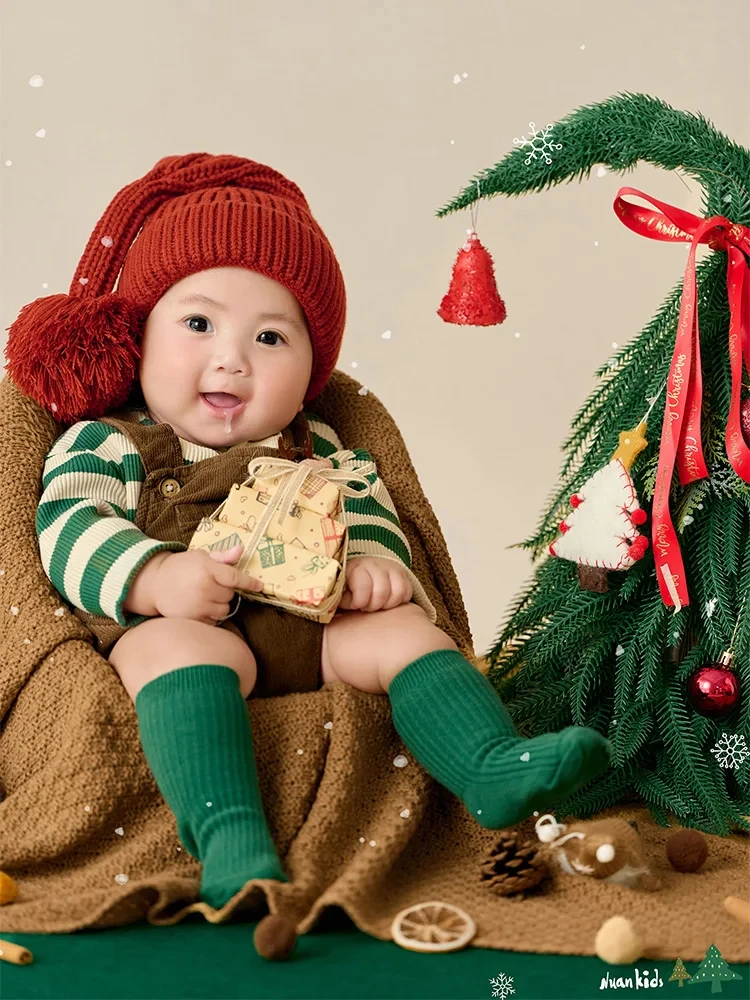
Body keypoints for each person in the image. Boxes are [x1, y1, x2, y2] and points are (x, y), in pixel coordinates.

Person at [7, 153, 612, 916]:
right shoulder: (111, 441)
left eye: (271, 338)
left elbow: (367, 511)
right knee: (172, 650)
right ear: (141, 338)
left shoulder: (319, 445)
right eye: (197, 323)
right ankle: (230, 836)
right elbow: (68, 528)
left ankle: (488, 763)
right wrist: (154, 578)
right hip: (181, 622)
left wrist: (373, 568)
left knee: (399, 631)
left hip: (309, 628)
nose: (231, 358)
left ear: (311, 369)